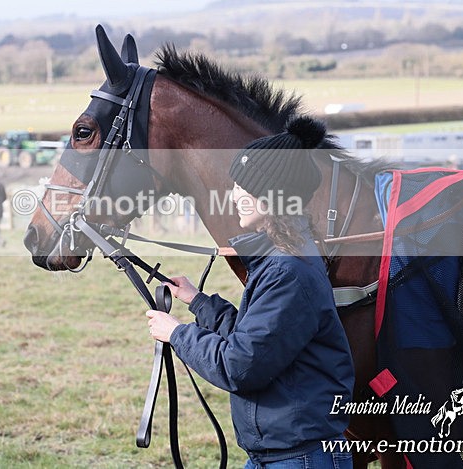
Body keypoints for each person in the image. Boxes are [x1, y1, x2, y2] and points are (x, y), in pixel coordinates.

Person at [146, 123, 354, 468]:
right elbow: (258, 339)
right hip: (279, 456)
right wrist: (198, 302)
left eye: (243, 187)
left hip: (299, 460)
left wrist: (177, 333)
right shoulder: (284, 257)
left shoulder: (288, 270)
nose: (234, 196)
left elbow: (239, 366)